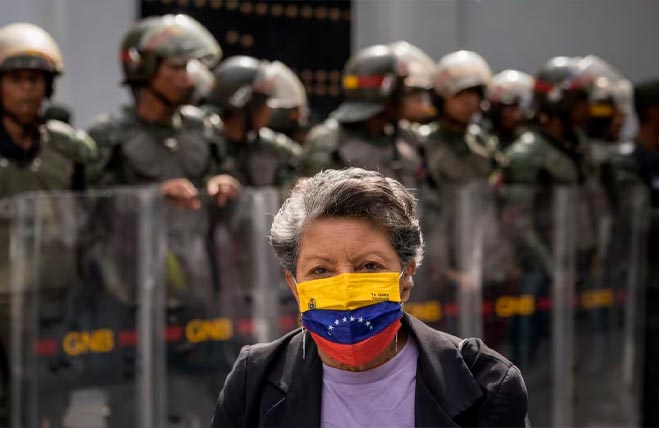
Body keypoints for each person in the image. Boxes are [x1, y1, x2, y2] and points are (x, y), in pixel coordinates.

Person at [211, 167, 529, 427]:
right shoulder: (252, 381)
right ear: (295, 286)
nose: (347, 290)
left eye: (368, 266)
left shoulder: (487, 384)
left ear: (406, 276)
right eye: (321, 270)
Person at [0, 22, 99, 426]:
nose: (28, 89)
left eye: (36, 80)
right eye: (17, 79)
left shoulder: (68, 149)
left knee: (52, 406)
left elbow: (93, 217)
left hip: (53, 301)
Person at [87, 14, 239, 209]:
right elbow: (91, 207)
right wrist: (153, 197)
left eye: (186, 67)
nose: (186, 78)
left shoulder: (204, 128)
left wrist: (221, 184)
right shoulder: (109, 134)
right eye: (176, 67)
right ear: (144, 67)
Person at [300, 44, 423, 188]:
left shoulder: (407, 137)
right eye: (402, 87)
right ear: (388, 90)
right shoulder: (329, 141)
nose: (406, 94)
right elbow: (313, 204)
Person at [203, 55, 301, 189]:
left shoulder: (273, 148)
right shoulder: (202, 142)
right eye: (263, 100)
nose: (268, 108)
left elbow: (290, 179)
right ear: (242, 103)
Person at [484, 69, 534, 166]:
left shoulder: (533, 143)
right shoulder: (483, 143)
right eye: (510, 109)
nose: (516, 115)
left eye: (520, 108)